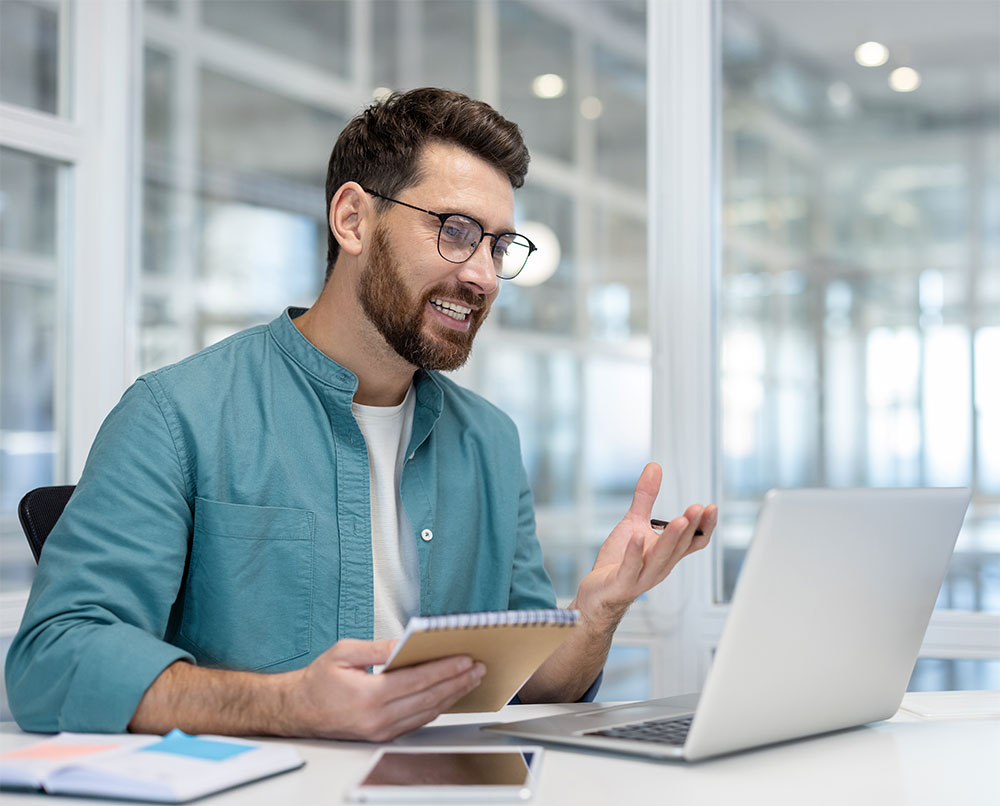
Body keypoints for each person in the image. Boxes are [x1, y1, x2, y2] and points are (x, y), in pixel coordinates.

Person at [6, 88, 716, 742]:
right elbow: (52, 660)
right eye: (457, 230)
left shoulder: (490, 443)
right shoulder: (175, 414)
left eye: (499, 246)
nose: (484, 276)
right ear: (351, 219)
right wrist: (287, 704)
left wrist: (598, 611)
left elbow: (531, 682)